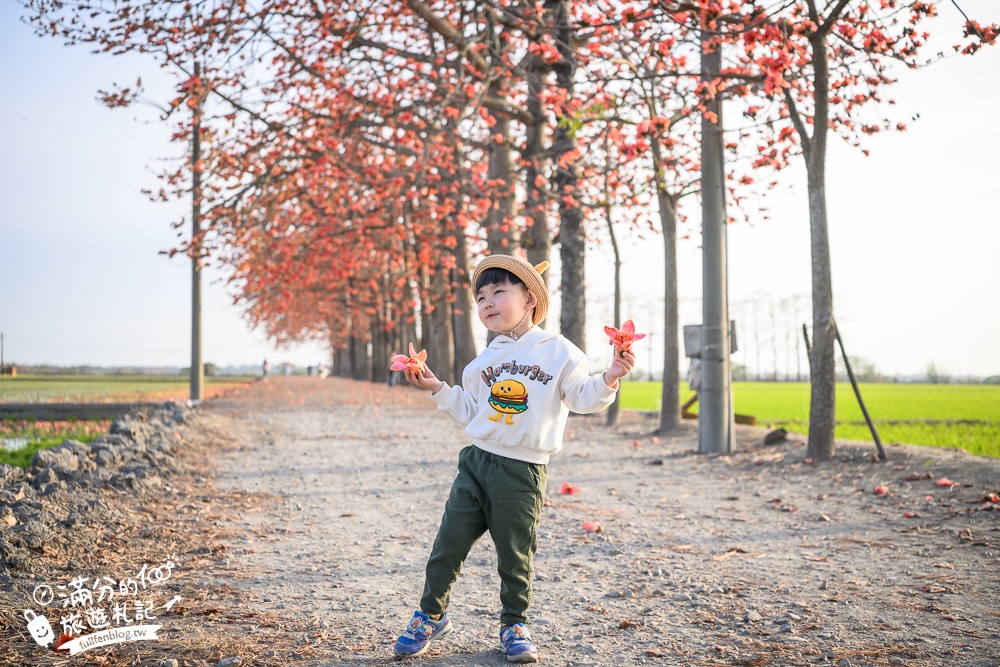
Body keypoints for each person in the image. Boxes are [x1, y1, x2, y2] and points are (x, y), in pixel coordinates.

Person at [393, 254, 635, 663]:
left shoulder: (561, 352)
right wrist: (437, 386)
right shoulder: (481, 363)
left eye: (499, 291)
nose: (487, 302)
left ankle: (513, 624)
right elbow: (470, 412)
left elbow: (582, 397)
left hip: (522, 470)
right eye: (481, 296)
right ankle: (431, 614)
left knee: (514, 553)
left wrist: (610, 377)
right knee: (447, 545)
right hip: (476, 462)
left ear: (530, 299)